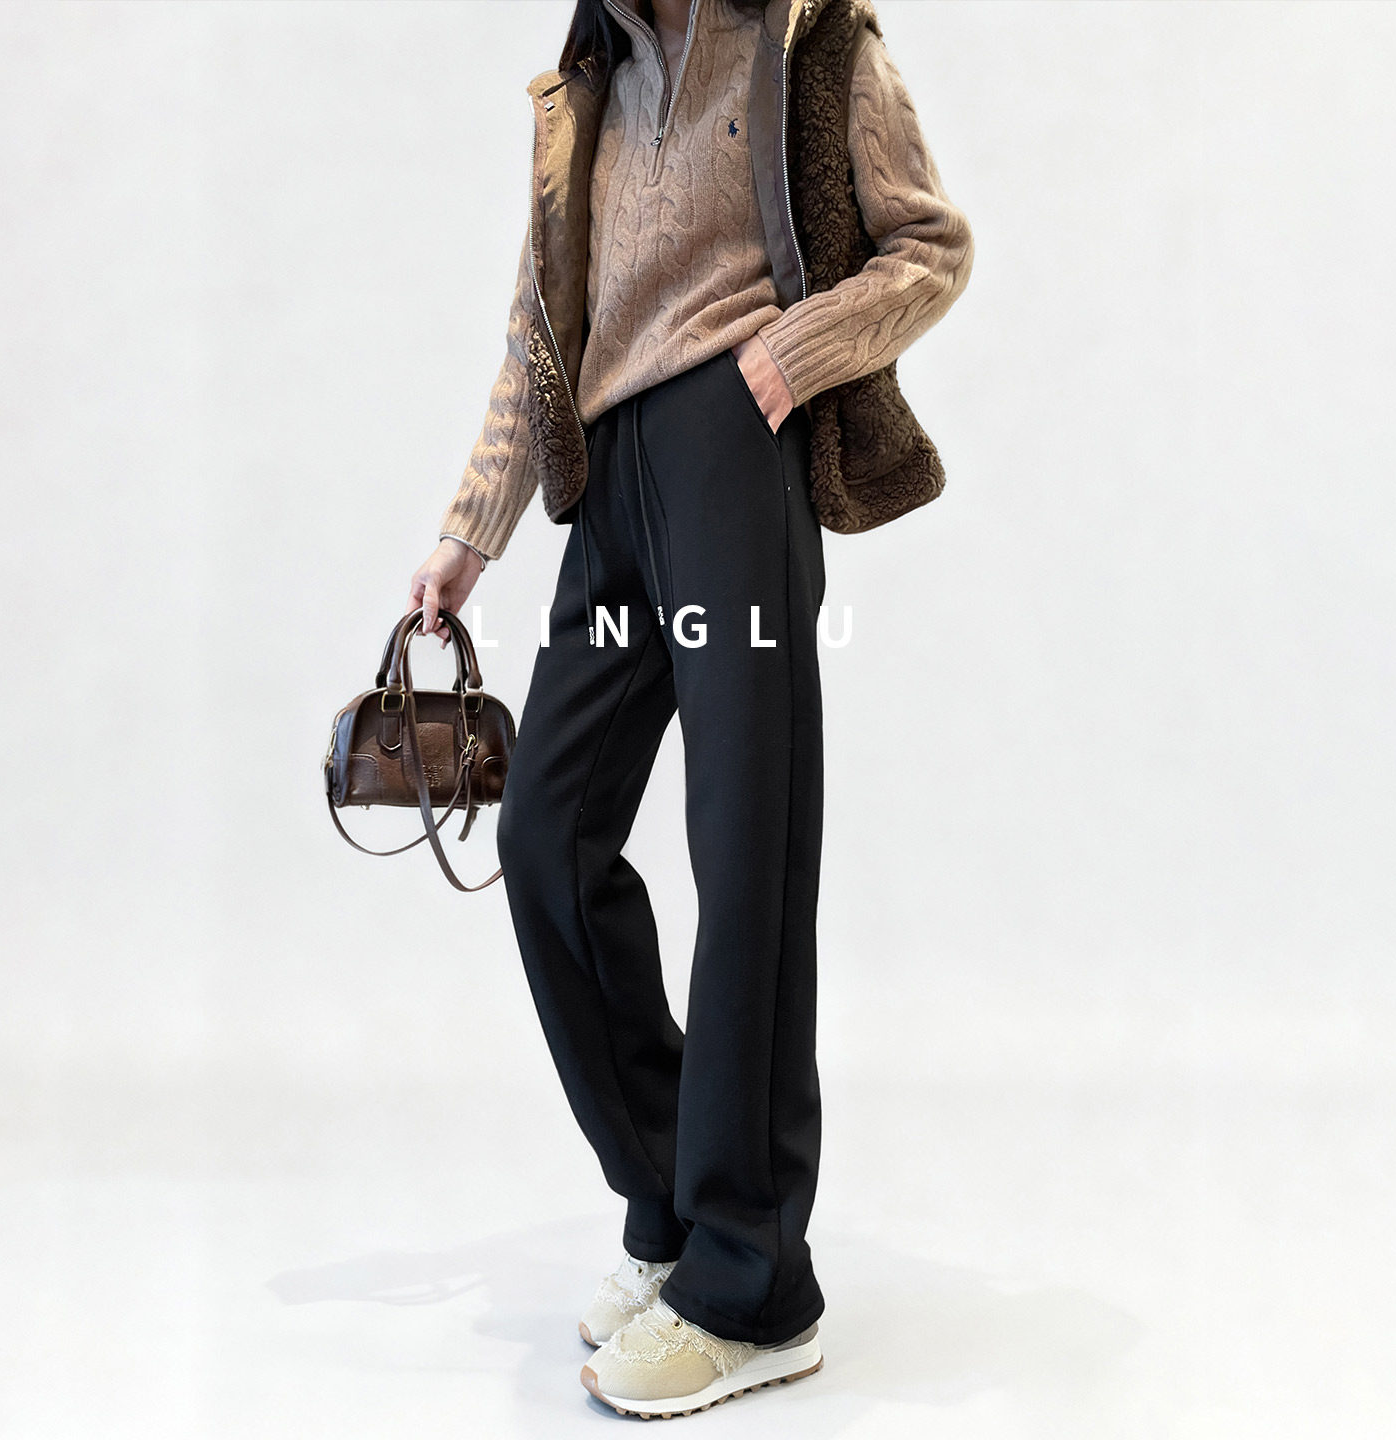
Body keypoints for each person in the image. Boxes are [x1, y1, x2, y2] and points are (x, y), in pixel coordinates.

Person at [406, 0, 973, 1418]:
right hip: (609, 484)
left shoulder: (812, 43)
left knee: (746, 852)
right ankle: (671, 1200)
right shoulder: (585, 87)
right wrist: (471, 531)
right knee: (546, 836)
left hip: (732, 455)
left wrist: (791, 355)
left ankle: (754, 1284)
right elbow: (539, 325)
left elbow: (929, 245)